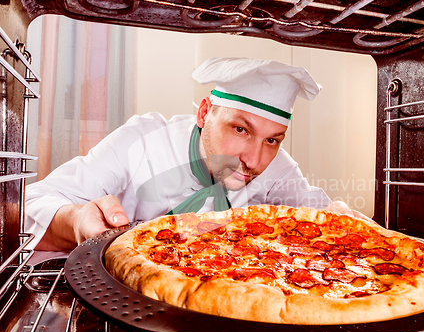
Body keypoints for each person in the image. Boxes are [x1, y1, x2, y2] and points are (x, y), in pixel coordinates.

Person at [26, 57, 366, 252]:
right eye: (241, 129)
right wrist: (75, 221)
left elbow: (318, 212)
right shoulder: (143, 140)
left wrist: (335, 215)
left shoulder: (276, 165)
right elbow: (31, 206)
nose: (255, 160)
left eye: (273, 140)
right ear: (204, 114)